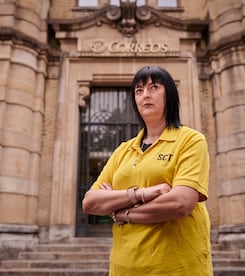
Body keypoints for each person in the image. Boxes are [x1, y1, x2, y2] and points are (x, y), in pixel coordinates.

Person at [82, 66, 212, 276]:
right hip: (123, 268)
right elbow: (90, 202)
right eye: (139, 90)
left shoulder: (190, 140)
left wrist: (121, 212)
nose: (146, 95)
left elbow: (180, 203)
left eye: (154, 87)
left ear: (169, 94)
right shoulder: (123, 150)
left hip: (175, 268)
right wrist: (141, 194)